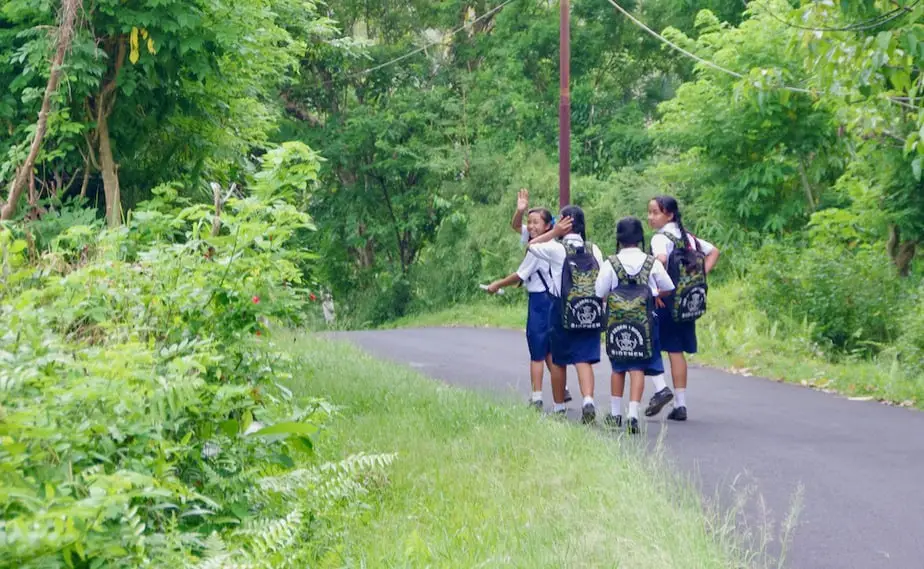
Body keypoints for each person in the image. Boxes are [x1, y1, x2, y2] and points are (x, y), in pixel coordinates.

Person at [596, 217, 674, 433]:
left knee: (618, 368)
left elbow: (600, 293)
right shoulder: (651, 262)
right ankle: (632, 414)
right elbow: (668, 287)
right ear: (640, 238)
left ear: (618, 238)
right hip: (646, 322)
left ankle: (615, 415)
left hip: (617, 324)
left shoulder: (610, 263)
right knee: (638, 367)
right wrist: (654, 293)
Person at [645, 195, 720, 421]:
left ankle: (661, 389)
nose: (650, 217)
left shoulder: (660, 238)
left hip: (665, 300)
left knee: (653, 343)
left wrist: (657, 288)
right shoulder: (688, 238)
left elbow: (659, 259)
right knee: (676, 351)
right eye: (649, 212)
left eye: (655, 212)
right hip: (687, 301)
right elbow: (714, 251)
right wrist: (700, 275)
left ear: (669, 214)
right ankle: (680, 403)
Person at [528, 205, 604, 424]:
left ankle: (559, 407)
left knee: (559, 360)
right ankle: (588, 400)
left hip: (560, 308)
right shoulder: (593, 248)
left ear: (563, 222)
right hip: (588, 309)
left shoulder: (555, 248)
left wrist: (553, 232)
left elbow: (531, 245)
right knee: (584, 358)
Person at [486, 206, 557, 409]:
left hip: (540, 301)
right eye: (530, 221)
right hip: (553, 300)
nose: (531, 226)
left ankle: (536, 398)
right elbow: (516, 225)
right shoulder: (552, 243)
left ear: (548, 226)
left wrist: (497, 284)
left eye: (536, 222)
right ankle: (563, 389)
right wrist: (519, 210)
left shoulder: (537, 249)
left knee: (536, 351)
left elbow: (519, 275)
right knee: (549, 350)